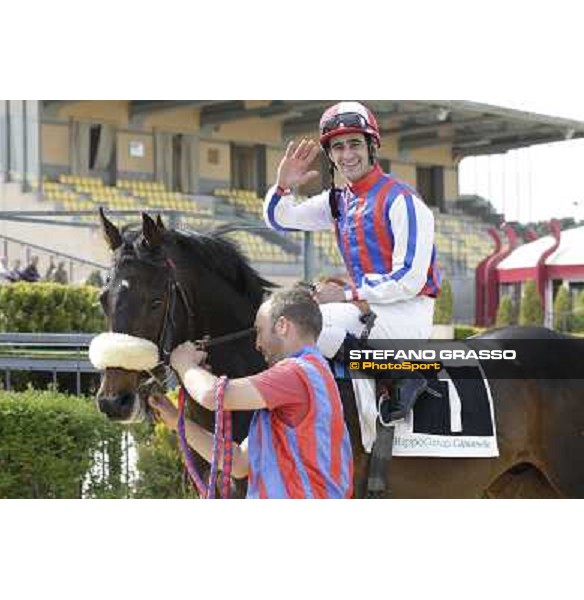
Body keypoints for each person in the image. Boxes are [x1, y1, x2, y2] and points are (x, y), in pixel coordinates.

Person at [263, 101, 441, 451]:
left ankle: (405, 376)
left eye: (355, 144)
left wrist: (346, 295)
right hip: (367, 308)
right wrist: (283, 186)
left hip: (407, 312)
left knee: (312, 323)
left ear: (372, 146)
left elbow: (410, 279)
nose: (347, 154)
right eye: (338, 147)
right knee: (288, 317)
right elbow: (280, 219)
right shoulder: (337, 201)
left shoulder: (403, 200)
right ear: (330, 155)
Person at [150, 287, 354, 499]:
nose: (257, 343)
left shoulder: (297, 373)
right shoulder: (306, 378)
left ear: (282, 326)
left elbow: (212, 395)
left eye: (259, 330)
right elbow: (237, 462)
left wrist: (184, 363)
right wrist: (176, 420)